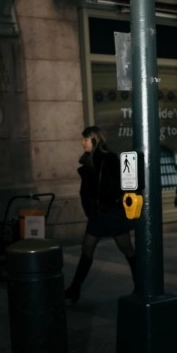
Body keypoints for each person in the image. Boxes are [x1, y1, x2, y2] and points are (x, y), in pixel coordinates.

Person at [64, 126, 137, 303]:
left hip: (111, 214)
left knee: (127, 249)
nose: (82, 143)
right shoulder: (89, 160)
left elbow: (123, 183)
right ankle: (75, 288)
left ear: (95, 140)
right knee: (87, 249)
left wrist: (111, 200)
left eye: (86, 139)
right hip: (98, 215)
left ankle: (141, 285)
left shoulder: (109, 158)